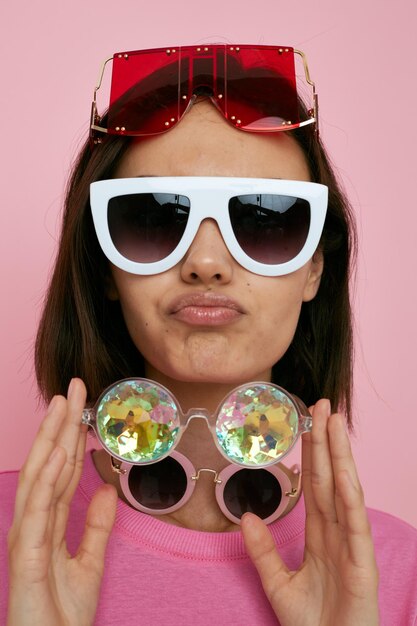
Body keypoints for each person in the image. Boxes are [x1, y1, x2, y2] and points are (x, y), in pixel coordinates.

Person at [1, 44, 416, 626]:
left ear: (315, 267)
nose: (206, 263)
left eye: (264, 218)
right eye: (153, 218)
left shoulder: (398, 575)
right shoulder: (7, 539)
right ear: (105, 266)